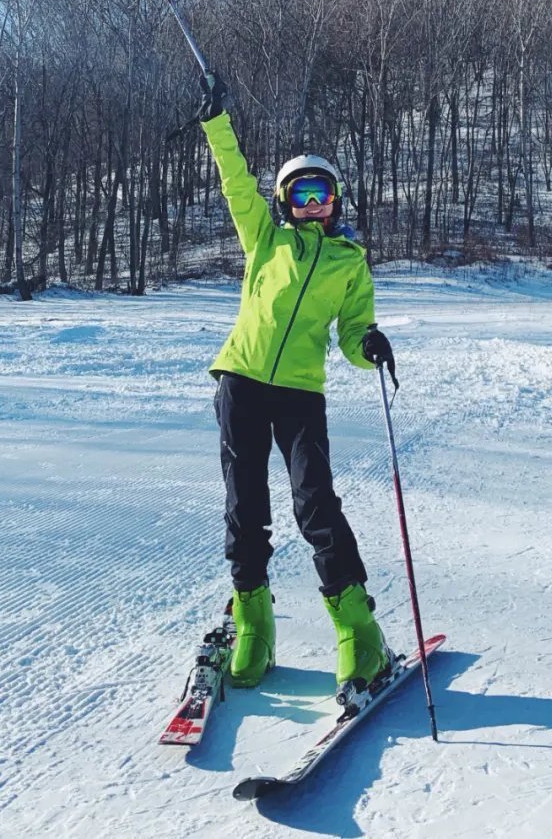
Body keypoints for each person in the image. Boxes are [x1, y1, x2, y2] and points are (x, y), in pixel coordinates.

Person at [197, 70, 396, 691]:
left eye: (324, 195)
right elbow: (234, 179)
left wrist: (369, 345)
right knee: (246, 505)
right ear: (284, 201)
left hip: (301, 392)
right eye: (302, 196)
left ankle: (357, 631)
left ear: (338, 201)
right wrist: (216, 122)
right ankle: (254, 620)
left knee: (316, 502)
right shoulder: (264, 237)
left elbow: (353, 332)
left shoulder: (349, 261)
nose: (314, 206)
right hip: (243, 380)